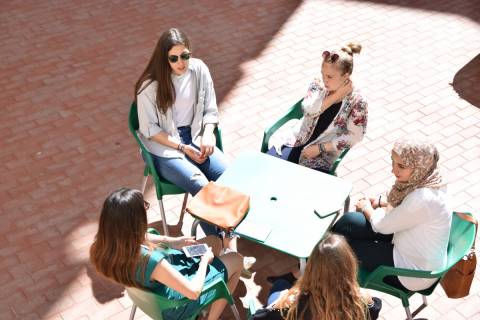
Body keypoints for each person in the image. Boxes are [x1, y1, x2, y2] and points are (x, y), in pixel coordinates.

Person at [134, 28, 255, 271]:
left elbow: (211, 109)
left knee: (228, 176)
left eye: (185, 55)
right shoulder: (149, 86)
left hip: (196, 135)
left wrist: (208, 133)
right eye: (174, 58)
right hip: (165, 146)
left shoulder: (199, 70)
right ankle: (227, 250)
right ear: (163, 58)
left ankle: (226, 247)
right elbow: (149, 130)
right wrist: (182, 147)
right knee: (200, 184)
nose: (181, 62)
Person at [90, 188, 243, 320]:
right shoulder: (150, 260)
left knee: (213, 241)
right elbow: (193, 292)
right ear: (135, 221)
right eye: (145, 207)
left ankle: (206, 301)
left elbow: (142, 237)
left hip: (153, 294)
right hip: (175, 307)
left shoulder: (104, 246)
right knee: (236, 259)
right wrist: (205, 262)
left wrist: (172, 241)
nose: (146, 208)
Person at [332, 139, 452, 291]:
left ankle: (321, 272)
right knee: (349, 222)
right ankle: (321, 260)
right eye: (393, 163)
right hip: (410, 244)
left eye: (401, 166)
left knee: (343, 249)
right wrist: (382, 202)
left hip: (413, 272)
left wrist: (366, 207)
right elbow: (407, 211)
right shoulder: (432, 178)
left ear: (419, 166)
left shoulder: (422, 198)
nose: (393, 171)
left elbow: (382, 226)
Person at [267, 42, 368, 173]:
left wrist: (320, 148)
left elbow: (355, 137)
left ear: (346, 75)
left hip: (322, 155)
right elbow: (307, 110)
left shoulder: (358, 101)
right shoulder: (318, 84)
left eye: (330, 76)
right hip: (295, 140)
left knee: (303, 187)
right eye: (323, 74)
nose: (324, 79)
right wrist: (336, 95)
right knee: (269, 168)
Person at [253, 233, 381, 320]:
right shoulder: (362, 298)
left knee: (280, 285)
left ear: (312, 267)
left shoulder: (294, 302)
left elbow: (259, 317)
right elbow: (372, 314)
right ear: (349, 265)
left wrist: (279, 303)